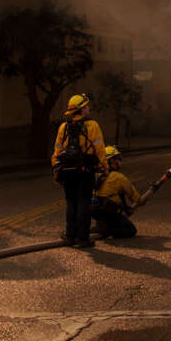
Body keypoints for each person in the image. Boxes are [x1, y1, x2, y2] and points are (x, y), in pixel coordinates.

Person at [51, 93, 109, 248]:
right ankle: (82, 238)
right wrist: (105, 168)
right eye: (86, 106)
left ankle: (70, 236)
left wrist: (56, 170)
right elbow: (100, 149)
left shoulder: (64, 127)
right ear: (81, 109)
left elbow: (57, 151)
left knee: (71, 202)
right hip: (85, 171)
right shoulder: (92, 126)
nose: (88, 108)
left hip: (67, 171)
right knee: (84, 202)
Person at [91, 145, 149, 239]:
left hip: (97, 212)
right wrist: (141, 201)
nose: (119, 162)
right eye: (117, 159)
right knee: (131, 230)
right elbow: (135, 197)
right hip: (110, 214)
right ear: (111, 161)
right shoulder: (119, 177)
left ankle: (100, 227)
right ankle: (107, 230)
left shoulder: (97, 175)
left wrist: (127, 209)